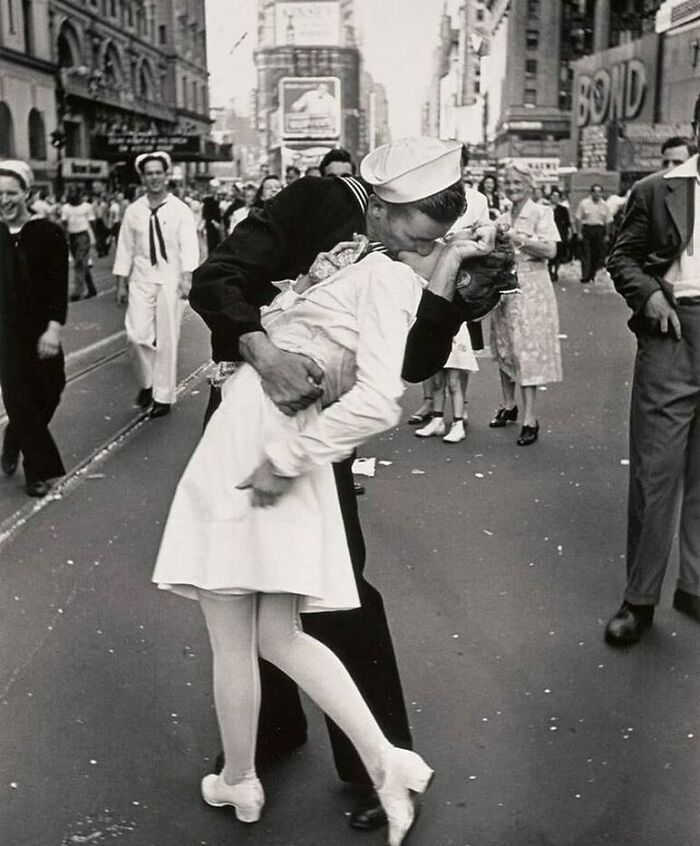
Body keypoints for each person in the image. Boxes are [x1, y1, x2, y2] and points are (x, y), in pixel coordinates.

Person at [189, 136, 495, 831]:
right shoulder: (317, 201)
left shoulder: (433, 255)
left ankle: (374, 762)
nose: (420, 250)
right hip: (251, 400)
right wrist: (264, 354)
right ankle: (267, 733)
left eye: (436, 239)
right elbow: (218, 278)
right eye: (416, 234)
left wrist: (444, 284)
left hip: (321, 430)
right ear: (383, 206)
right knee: (244, 579)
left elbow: (412, 367)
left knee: (337, 586)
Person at [603, 97, 700, 646]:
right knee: (655, 475)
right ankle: (638, 601)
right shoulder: (658, 190)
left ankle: (694, 586)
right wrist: (649, 298)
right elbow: (623, 258)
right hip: (673, 332)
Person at [113, 151, 200, 418]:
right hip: (141, 279)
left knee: (167, 339)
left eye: (158, 173)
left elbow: (189, 246)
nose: (154, 178)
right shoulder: (134, 211)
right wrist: (120, 283)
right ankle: (148, 383)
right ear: (143, 177)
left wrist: (187, 278)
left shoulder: (180, 209)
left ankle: (163, 396)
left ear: (166, 175)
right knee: (136, 336)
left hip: (170, 280)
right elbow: (125, 248)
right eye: (149, 173)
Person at [0, 160, 68, 497]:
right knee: (18, 396)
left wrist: (53, 328)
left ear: (27, 192)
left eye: (11, 193)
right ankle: (36, 470)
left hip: (40, 328)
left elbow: (58, 286)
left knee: (51, 389)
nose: (4, 200)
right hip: (3, 333)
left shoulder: (48, 233)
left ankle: (14, 436)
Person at [489, 161, 562, 446]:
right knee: (505, 347)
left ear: (530, 185)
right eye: (508, 183)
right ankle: (509, 405)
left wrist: (515, 238)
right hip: (506, 288)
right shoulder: (502, 215)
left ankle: (530, 418)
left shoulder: (542, 213)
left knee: (527, 350)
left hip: (532, 288)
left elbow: (550, 250)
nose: (512, 187)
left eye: (518, 183)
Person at [61, 187, 97, 300]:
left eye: (74, 193)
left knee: (79, 262)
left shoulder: (86, 207)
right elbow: (64, 223)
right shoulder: (66, 208)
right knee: (82, 264)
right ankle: (92, 289)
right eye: (70, 193)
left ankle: (77, 291)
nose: (72, 196)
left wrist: (92, 237)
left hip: (83, 236)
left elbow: (92, 222)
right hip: (72, 236)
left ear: (79, 194)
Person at [575, 183, 613, 284]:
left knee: (597, 254)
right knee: (586, 253)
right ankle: (585, 276)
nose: (597, 194)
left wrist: (607, 234)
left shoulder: (605, 205)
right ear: (591, 193)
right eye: (595, 192)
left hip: (599, 230)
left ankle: (592, 275)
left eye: (599, 192)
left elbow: (608, 221)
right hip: (587, 229)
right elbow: (578, 218)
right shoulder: (584, 203)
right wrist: (579, 232)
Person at [548, 187, 573, 281]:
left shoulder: (563, 209)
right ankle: (550, 271)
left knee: (558, 254)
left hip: (560, 233)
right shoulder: (545, 208)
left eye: (557, 197)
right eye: (553, 196)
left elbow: (567, 223)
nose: (555, 198)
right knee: (550, 254)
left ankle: (556, 272)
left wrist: (569, 232)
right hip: (548, 234)